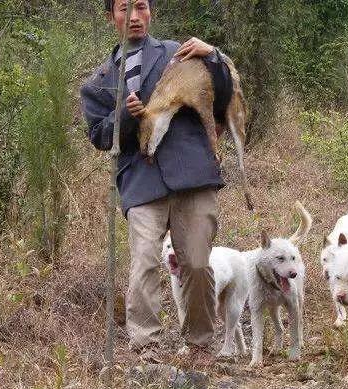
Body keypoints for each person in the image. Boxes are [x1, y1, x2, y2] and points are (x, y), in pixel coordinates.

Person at [80, 0, 233, 364]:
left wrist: (214, 56)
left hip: (191, 173)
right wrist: (125, 115)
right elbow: (101, 137)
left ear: (150, 12)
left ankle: (199, 345)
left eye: (141, 7)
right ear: (110, 17)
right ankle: (145, 347)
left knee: (196, 261)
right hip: (140, 180)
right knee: (145, 260)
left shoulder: (176, 53)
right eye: (123, 9)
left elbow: (221, 95)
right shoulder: (98, 82)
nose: (134, 16)